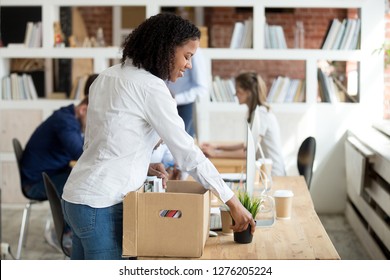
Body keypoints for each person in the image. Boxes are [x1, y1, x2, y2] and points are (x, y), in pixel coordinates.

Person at [61, 13, 255, 260]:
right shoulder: (151, 88)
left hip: (75, 198)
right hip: (102, 206)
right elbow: (188, 154)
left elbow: (97, 143)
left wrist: (141, 163)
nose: (189, 65)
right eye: (187, 56)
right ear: (165, 49)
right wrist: (233, 202)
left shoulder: (105, 76)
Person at [201, 72, 286, 177]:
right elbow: (246, 145)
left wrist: (216, 153)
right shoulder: (255, 112)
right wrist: (217, 146)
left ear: (249, 92)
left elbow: (249, 152)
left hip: (273, 174)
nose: (235, 94)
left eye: (238, 91)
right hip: (265, 172)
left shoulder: (261, 115)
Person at [166, 48, 208, 137]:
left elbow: (201, 88)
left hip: (183, 104)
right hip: (165, 102)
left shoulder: (196, 53)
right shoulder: (166, 48)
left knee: (183, 137)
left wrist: (176, 99)